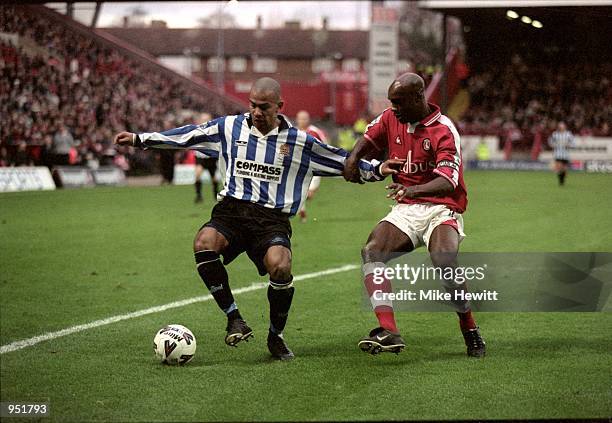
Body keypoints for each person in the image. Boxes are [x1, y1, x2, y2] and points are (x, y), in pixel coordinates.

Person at [114, 77, 401, 360]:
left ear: (280, 106)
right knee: (204, 243)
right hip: (232, 211)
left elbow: (341, 160)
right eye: (253, 105)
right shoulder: (228, 127)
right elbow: (188, 135)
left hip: (271, 219)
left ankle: (275, 336)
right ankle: (234, 318)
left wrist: (376, 169)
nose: (257, 112)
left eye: (264, 106)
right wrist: (141, 139)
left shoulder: (299, 142)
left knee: (281, 266)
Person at [344, 72, 486, 358]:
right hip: (407, 209)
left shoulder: (444, 129)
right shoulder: (390, 117)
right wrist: (352, 159)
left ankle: (469, 327)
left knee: (444, 261)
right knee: (372, 252)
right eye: (391, 102)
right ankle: (389, 331)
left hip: (441, 207)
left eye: (398, 102)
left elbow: (448, 180)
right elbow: (367, 139)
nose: (393, 107)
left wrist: (413, 191)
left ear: (419, 97)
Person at [294, 110, 327, 222]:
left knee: (309, 194)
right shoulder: (293, 132)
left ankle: (300, 206)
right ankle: (302, 213)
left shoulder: (315, 132)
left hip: (314, 166)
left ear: (309, 119)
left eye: (305, 118)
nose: (303, 121)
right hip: (298, 166)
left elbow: (325, 145)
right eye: (301, 118)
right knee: (298, 190)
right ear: (297, 119)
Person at [193, 112, 221, 203]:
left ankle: (215, 195)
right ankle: (198, 196)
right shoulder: (196, 131)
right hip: (200, 158)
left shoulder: (213, 131)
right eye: (204, 119)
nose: (206, 121)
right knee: (197, 175)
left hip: (210, 158)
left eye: (207, 119)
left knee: (214, 178)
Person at [548, 121, 574, 186]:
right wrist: (554, 145)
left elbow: (573, 143)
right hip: (558, 153)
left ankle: (562, 179)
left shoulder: (568, 134)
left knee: (564, 169)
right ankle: (561, 181)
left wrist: (569, 145)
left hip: (565, 154)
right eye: (560, 127)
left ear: (565, 127)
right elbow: (550, 141)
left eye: (562, 127)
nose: (561, 128)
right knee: (559, 167)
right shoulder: (555, 134)